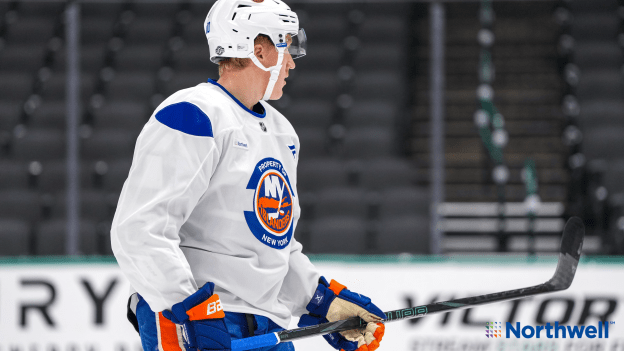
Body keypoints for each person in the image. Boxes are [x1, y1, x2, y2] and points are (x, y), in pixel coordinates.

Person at [110, 0, 386, 350]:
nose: (291, 62)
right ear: (258, 50)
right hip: (200, 319)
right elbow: (139, 229)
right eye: (285, 45)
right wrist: (187, 307)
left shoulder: (282, 132)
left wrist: (322, 301)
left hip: (267, 325)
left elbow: (273, 249)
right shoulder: (194, 114)